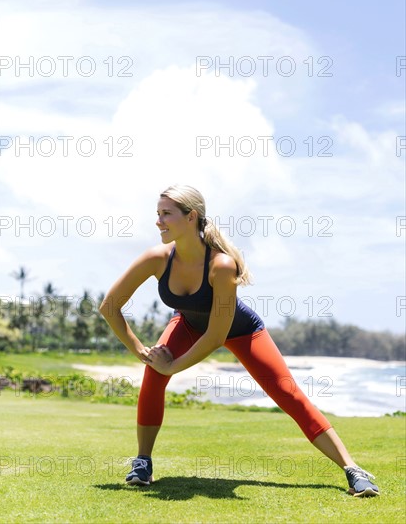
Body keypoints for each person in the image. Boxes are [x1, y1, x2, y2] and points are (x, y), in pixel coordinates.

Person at [99, 184, 379, 497]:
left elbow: (217, 335)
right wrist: (143, 353)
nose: (158, 221)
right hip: (189, 323)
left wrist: (173, 366)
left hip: (241, 330)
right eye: (158, 213)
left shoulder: (221, 265)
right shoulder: (157, 259)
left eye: (166, 214)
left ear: (191, 217)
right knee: (153, 374)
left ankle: (353, 469)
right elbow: (109, 307)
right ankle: (143, 462)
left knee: (288, 393)